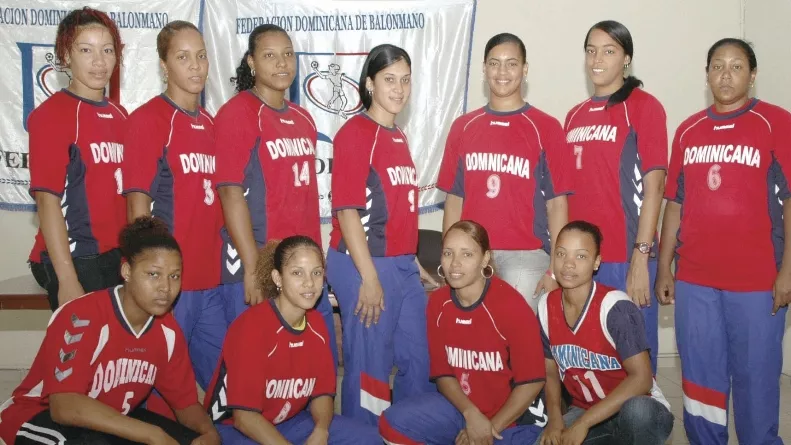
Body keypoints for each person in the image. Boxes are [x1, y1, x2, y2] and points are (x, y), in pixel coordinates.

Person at [656, 38, 791, 445]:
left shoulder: (776, 123)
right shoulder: (688, 130)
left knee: (756, 380)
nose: (726, 74)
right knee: (701, 382)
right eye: (717, 65)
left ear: (752, 75)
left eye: (736, 66)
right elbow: (674, 205)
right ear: (707, 73)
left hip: (757, 282)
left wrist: (787, 272)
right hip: (695, 281)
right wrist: (664, 267)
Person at [0, 217, 221, 445]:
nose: (165, 287)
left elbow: (185, 405)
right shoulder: (82, 316)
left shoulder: (168, 332)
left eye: (174, 276)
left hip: (109, 420)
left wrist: (209, 433)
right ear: (126, 271)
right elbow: (64, 406)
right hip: (37, 416)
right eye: (153, 274)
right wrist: (151, 434)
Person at [326, 43, 439, 426]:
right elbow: (346, 210)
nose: (399, 88)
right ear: (370, 83)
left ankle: (405, 431)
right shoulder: (356, 133)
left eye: (405, 80)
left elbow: (398, 213)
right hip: (362, 264)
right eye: (389, 79)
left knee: (419, 359)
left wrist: (413, 263)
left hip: (400, 265)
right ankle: (363, 434)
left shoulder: (398, 136)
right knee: (371, 368)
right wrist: (369, 278)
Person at [213, 24, 337, 365]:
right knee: (258, 365)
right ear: (252, 62)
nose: (281, 63)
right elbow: (229, 193)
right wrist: (254, 268)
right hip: (259, 262)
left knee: (311, 362)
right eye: (270, 56)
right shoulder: (237, 114)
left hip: (303, 266)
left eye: (287, 54)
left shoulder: (303, 118)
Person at [380, 220, 548, 445]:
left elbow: (532, 382)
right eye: (448, 253)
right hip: (463, 411)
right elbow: (443, 375)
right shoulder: (438, 304)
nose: (455, 264)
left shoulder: (510, 306)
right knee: (392, 423)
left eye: (467, 255)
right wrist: (470, 414)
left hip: (513, 420)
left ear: (485, 259)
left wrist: (487, 429)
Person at [123, 20, 224, 395]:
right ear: (164, 65)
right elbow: (137, 207)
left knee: (224, 389)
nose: (196, 66)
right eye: (183, 57)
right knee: (159, 397)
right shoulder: (149, 120)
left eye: (200, 56)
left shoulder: (213, 124)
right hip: (169, 286)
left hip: (210, 283)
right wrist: (144, 280)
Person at [202, 236, 381, 444]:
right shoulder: (251, 327)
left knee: (372, 439)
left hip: (291, 422)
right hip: (238, 430)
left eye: (316, 273)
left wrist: (321, 430)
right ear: (278, 278)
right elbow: (244, 418)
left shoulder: (316, 322)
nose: (309, 283)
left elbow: (322, 392)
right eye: (297, 273)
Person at [562, 20, 667, 373]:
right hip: (581, 260)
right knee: (590, 357)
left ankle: (642, 426)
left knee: (633, 362)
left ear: (626, 59)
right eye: (591, 50)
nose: (597, 59)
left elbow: (655, 188)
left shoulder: (643, 106)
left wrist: (641, 256)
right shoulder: (573, 116)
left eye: (609, 51)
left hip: (626, 255)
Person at [439, 33, 570, 310]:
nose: (502, 72)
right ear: (484, 69)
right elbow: (454, 200)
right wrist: (451, 257)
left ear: (525, 69)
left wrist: (556, 268)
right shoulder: (463, 126)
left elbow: (557, 203)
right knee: (477, 345)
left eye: (511, 64)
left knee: (518, 344)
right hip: (472, 254)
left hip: (526, 255)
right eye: (494, 63)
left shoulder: (545, 127)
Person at [27, 7, 127, 311]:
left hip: (116, 255)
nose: (99, 62)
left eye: (107, 50)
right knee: (84, 354)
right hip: (75, 257)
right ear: (66, 56)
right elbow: (47, 202)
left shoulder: (121, 115)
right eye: (86, 50)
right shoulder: (52, 117)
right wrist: (67, 278)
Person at [537, 221, 673, 445]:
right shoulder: (545, 307)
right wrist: (555, 420)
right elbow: (550, 373)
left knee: (639, 412)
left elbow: (642, 379)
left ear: (596, 262)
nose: (568, 264)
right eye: (561, 253)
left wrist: (583, 424)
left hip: (635, 410)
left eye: (580, 256)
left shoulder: (615, 307)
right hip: (586, 410)